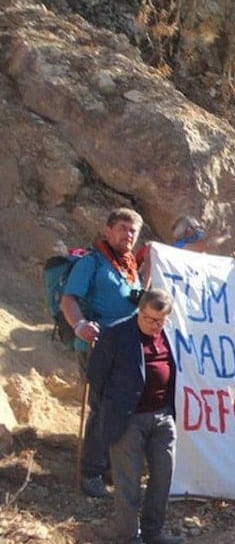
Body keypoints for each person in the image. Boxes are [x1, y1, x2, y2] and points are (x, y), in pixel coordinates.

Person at [86, 288, 185, 544]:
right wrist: (114, 408)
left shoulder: (167, 334)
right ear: (139, 311)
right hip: (128, 419)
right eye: (149, 319)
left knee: (163, 474)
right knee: (128, 482)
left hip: (163, 416)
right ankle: (129, 542)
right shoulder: (116, 334)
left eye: (159, 321)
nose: (154, 325)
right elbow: (96, 377)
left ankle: (154, 532)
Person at [61, 207, 146, 499]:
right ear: (107, 231)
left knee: (124, 407)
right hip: (97, 346)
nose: (128, 234)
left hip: (127, 348)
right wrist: (80, 325)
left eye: (133, 230)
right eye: (122, 228)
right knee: (102, 408)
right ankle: (91, 473)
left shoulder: (129, 266)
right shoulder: (92, 262)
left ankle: (111, 467)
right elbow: (69, 299)